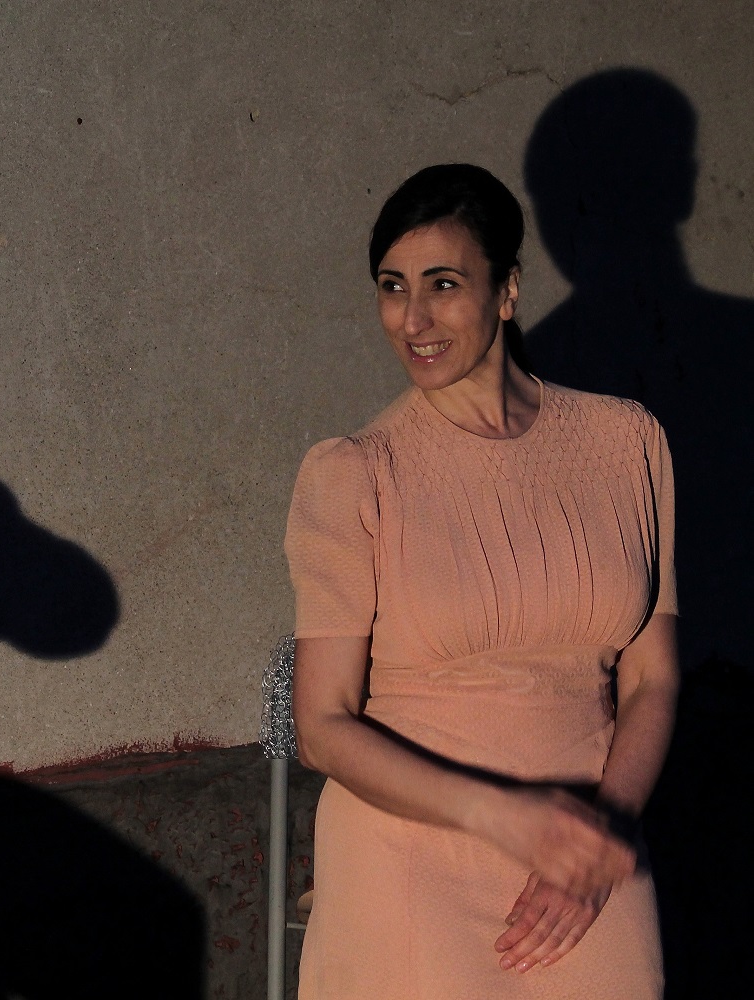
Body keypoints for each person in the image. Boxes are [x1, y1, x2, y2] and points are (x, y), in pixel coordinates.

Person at [285, 163, 676, 998]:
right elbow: (321, 726)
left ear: (507, 290)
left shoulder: (627, 443)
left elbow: (653, 679)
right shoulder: (354, 473)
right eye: (392, 287)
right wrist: (504, 816)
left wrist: (599, 839)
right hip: (409, 861)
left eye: (443, 284)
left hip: (589, 853)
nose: (412, 319)